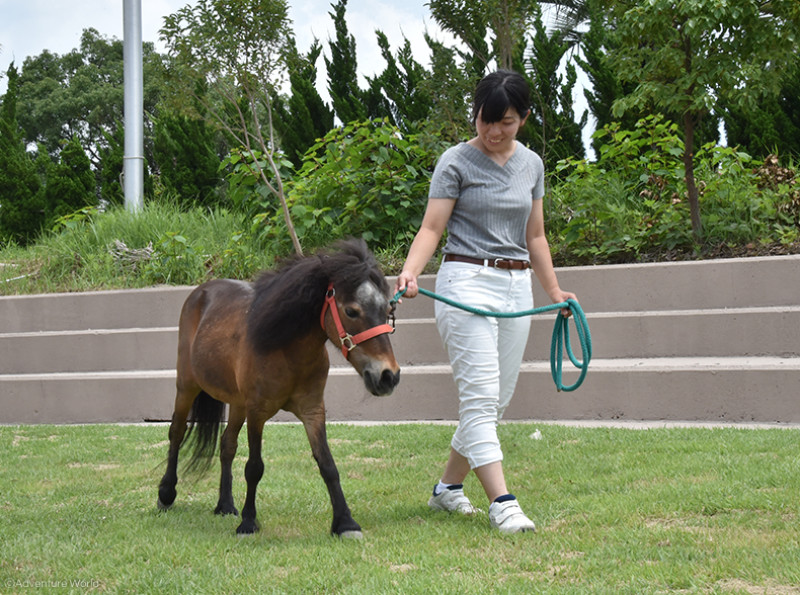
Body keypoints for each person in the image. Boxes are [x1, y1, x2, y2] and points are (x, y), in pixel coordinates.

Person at [394, 69, 577, 534]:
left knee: (496, 401)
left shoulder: (532, 165)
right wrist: (412, 270)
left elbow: (535, 236)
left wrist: (554, 292)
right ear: (474, 113)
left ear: (524, 119)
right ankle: (503, 503)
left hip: (516, 287)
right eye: (485, 120)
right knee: (480, 398)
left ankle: (448, 490)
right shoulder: (455, 161)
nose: (494, 131)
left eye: (507, 122)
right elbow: (432, 228)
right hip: (465, 282)